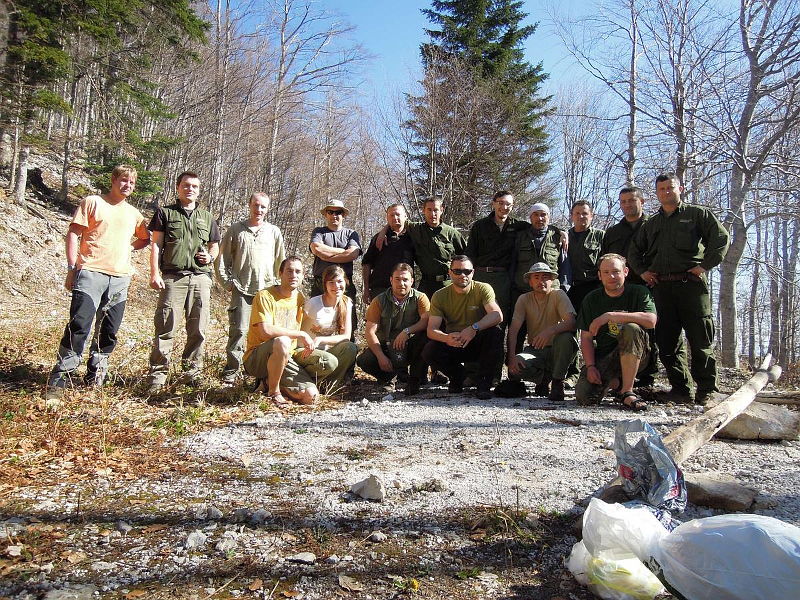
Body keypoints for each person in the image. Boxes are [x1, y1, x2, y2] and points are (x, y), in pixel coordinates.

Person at [45, 165, 150, 400]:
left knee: (109, 330)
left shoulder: (134, 213)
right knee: (79, 325)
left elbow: (146, 238)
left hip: (120, 278)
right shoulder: (93, 202)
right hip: (91, 272)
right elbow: (73, 233)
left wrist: (128, 248)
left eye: (132, 183)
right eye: (124, 180)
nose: (127, 186)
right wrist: (72, 267)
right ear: (113, 180)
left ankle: (96, 375)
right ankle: (62, 376)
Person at [628, 173, 730, 405]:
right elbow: (634, 251)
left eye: (670, 187)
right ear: (657, 193)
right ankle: (682, 389)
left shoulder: (697, 215)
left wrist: (705, 265)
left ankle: (707, 390)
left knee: (700, 340)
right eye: (661, 189)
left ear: (680, 188)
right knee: (667, 342)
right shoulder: (652, 224)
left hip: (691, 287)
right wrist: (643, 271)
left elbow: (721, 238)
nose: (665, 192)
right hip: (662, 289)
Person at [146, 171, 221, 392]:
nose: (190, 189)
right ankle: (158, 377)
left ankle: (191, 374)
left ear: (199, 191)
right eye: (186, 185)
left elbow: (215, 245)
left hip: (200, 278)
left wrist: (210, 257)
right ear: (178, 188)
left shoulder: (207, 217)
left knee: (198, 328)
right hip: (173, 277)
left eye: (194, 186)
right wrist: (154, 273)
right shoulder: (165, 213)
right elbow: (156, 245)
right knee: (165, 327)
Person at [244, 256, 335, 406]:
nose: (294, 275)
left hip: (288, 356)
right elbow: (265, 331)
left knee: (311, 397)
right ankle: (274, 392)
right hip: (257, 357)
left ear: (303, 276)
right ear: (280, 273)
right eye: (289, 271)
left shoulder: (300, 298)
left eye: (298, 272)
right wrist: (300, 334)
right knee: (282, 340)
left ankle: (268, 382)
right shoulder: (265, 296)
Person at [215, 192, 286, 384]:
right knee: (238, 331)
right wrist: (227, 283)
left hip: (267, 292)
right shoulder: (237, 230)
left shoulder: (274, 232)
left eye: (263, 206)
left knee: (266, 333)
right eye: (256, 205)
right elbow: (222, 259)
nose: (259, 210)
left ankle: (260, 374)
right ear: (249, 205)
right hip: (242, 289)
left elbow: (281, 262)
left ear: (268, 209)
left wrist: (280, 288)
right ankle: (231, 372)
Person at [575, 254, 657, 411]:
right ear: (599, 275)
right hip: (606, 357)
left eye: (616, 271)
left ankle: (627, 392)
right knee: (585, 397)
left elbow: (651, 320)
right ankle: (617, 383)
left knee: (631, 328)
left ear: (625, 272)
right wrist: (591, 366)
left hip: (638, 353)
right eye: (605, 272)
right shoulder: (592, 299)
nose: (611, 276)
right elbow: (586, 337)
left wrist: (610, 316)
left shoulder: (639, 292)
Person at [422, 255, 504, 399]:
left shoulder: (483, 289)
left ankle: (484, 384)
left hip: (477, 340)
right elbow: (431, 329)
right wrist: (446, 338)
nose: (463, 275)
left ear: (473, 272)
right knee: (430, 350)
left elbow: (497, 315)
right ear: (450, 273)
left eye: (467, 271)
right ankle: (458, 376)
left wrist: (474, 328)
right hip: (454, 341)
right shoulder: (439, 295)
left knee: (495, 333)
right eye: (458, 271)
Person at [506, 263, 578, 402]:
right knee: (516, 367)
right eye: (536, 277)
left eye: (545, 277)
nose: (541, 281)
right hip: (536, 350)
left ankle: (557, 382)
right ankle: (543, 380)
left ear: (552, 280)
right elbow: (514, 329)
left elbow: (572, 322)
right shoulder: (524, 299)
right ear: (530, 282)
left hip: (557, 351)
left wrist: (550, 331)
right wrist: (511, 358)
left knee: (566, 338)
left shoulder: (558, 295)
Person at [357, 263, 430, 395]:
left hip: (409, 345)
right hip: (386, 347)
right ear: (391, 280)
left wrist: (407, 331)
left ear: (412, 281)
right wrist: (380, 356)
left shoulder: (420, 298)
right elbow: (370, 331)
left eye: (405, 280)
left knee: (426, 339)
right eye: (397, 279)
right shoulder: (379, 301)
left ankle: (414, 380)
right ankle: (388, 378)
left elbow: (425, 321)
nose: (401, 283)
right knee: (364, 360)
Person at [466, 191, 529, 323]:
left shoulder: (517, 226)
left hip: (503, 279)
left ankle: (498, 343)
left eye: (508, 204)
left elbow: (539, 227)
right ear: (493, 203)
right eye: (500, 203)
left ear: (512, 207)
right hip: (481, 276)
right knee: (476, 313)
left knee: (501, 315)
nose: (504, 207)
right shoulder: (480, 226)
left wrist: (560, 232)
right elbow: (470, 253)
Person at [301, 265, 359, 390]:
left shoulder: (346, 302)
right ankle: (310, 381)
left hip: (325, 350)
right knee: (329, 361)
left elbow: (346, 336)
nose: (336, 286)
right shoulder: (313, 304)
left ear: (346, 282)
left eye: (339, 281)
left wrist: (321, 340)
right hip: (305, 351)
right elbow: (297, 328)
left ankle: (329, 385)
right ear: (325, 285)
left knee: (350, 348)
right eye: (331, 282)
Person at [309, 200, 362, 335]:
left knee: (347, 322)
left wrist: (327, 256)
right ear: (326, 214)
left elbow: (353, 254)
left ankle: (348, 352)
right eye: (330, 212)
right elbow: (316, 248)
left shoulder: (351, 234)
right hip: (320, 283)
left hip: (344, 285)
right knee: (316, 322)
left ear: (343, 215)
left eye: (338, 212)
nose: (334, 215)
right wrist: (342, 251)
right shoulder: (319, 232)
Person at [361, 204, 414, 304]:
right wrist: (366, 289)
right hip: (380, 290)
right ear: (387, 218)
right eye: (391, 215)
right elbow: (366, 263)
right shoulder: (379, 238)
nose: (395, 218)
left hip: (404, 289)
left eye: (398, 214)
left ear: (405, 216)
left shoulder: (413, 237)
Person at [602, 187, 647, 286]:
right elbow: (604, 261)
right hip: (619, 287)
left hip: (649, 284)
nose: (627, 204)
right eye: (623, 202)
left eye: (631, 200)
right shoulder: (612, 232)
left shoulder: (652, 226)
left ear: (642, 201)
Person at [567, 200, 605, 313]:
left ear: (591, 216)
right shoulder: (565, 236)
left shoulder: (601, 236)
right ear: (572, 216)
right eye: (577, 213)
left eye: (584, 213)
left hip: (593, 287)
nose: (581, 216)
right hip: (570, 288)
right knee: (571, 324)